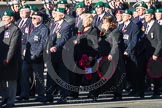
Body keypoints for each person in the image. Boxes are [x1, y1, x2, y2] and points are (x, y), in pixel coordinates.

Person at [89, 16, 124, 101]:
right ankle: (94, 93)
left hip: (113, 56)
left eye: (106, 23)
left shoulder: (116, 31)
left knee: (116, 76)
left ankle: (118, 94)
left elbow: (115, 44)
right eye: (103, 22)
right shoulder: (104, 32)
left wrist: (111, 54)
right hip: (103, 56)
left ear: (111, 23)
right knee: (99, 75)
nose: (104, 25)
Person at [45, 8, 72, 104]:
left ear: (62, 15)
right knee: (51, 75)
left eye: (56, 14)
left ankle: (63, 96)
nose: (54, 15)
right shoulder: (53, 24)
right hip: (52, 54)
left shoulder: (66, 26)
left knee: (63, 76)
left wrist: (56, 46)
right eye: (54, 13)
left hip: (62, 54)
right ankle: (49, 95)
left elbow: (64, 39)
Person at [22, 11, 48, 102]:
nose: (32, 20)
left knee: (39, 77)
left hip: (37, 57)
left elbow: (43, 43)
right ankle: (25, 94)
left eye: (34, 18)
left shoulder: (43, 29)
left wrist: (36, 54)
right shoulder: (31, 27)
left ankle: (41, 95)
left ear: (40, 19)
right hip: (28, 56)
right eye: (31, 18)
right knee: (24, 75)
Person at [72, 13, 98, 99]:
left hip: (88, 57)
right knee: (76, 75)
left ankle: (93, 93)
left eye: (84, 20)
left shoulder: (93, 30)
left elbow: (95, 45)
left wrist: (91, 56)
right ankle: (74, 94)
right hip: (79, 56)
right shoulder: (81, 29)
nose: (82, 22)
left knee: (90, 76)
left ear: (89, 21)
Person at [0, 9, 21, 107]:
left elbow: (13, 46)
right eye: (3, 17)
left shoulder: (15, 29)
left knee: (11, 80)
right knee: (1, 80)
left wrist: (8, 58)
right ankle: (4, 98)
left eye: (5, 17)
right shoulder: (1, 28)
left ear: (11, 18)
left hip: (11, 59)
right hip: (1, 58)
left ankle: (11, 101)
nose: (3, 19)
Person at [144, 8, 162, 98]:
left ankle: (157, 91)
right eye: (145, 15)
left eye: (147, 15)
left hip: (154, 53)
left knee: (156, 73)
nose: (145, 17)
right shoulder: (146, 24)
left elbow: (160, 41)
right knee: (150, 72)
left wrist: (156, 53)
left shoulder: (157, 26)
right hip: (147, 52)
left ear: (152, 16)